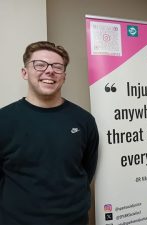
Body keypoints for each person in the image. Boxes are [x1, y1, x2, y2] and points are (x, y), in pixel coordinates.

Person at [0, 41, 99, 225]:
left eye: (57, 67)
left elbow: (86, 170)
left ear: (64, 76)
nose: (49, 71)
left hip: (73, 220)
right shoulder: (3, 120)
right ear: (24, 72)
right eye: (39, 65)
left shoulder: (84, 120)